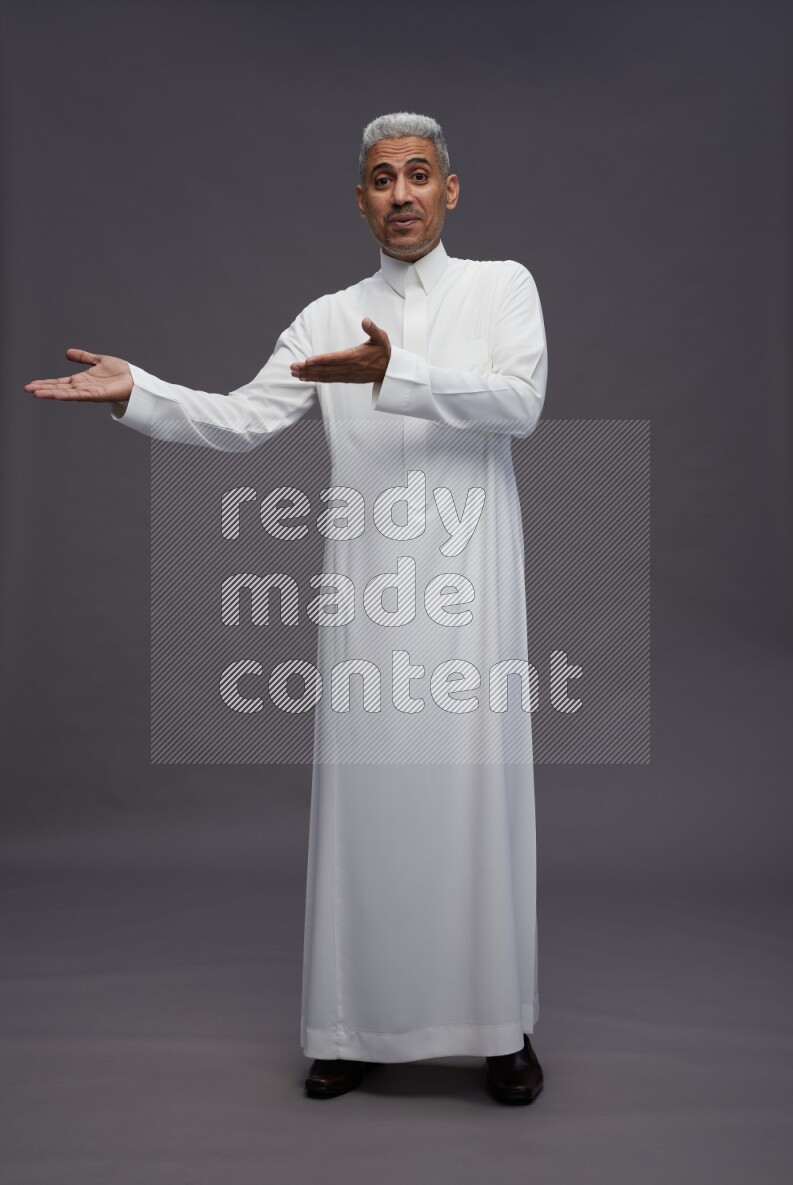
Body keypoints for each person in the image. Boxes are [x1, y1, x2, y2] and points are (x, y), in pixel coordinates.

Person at [24, 112, 548, 1105]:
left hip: (472, 598)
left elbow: (517, 402)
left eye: (418, 176)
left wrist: (397, 374)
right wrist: (139, 391)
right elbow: (240, 420)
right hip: (368, 597)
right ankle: (347, 1028)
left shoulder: (500, 288)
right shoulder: (325, 316)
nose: (400, 194)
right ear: (359, 201)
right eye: (381, 179)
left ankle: (498, 1030)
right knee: (366, 812)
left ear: (449, 191)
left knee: (475, 807)